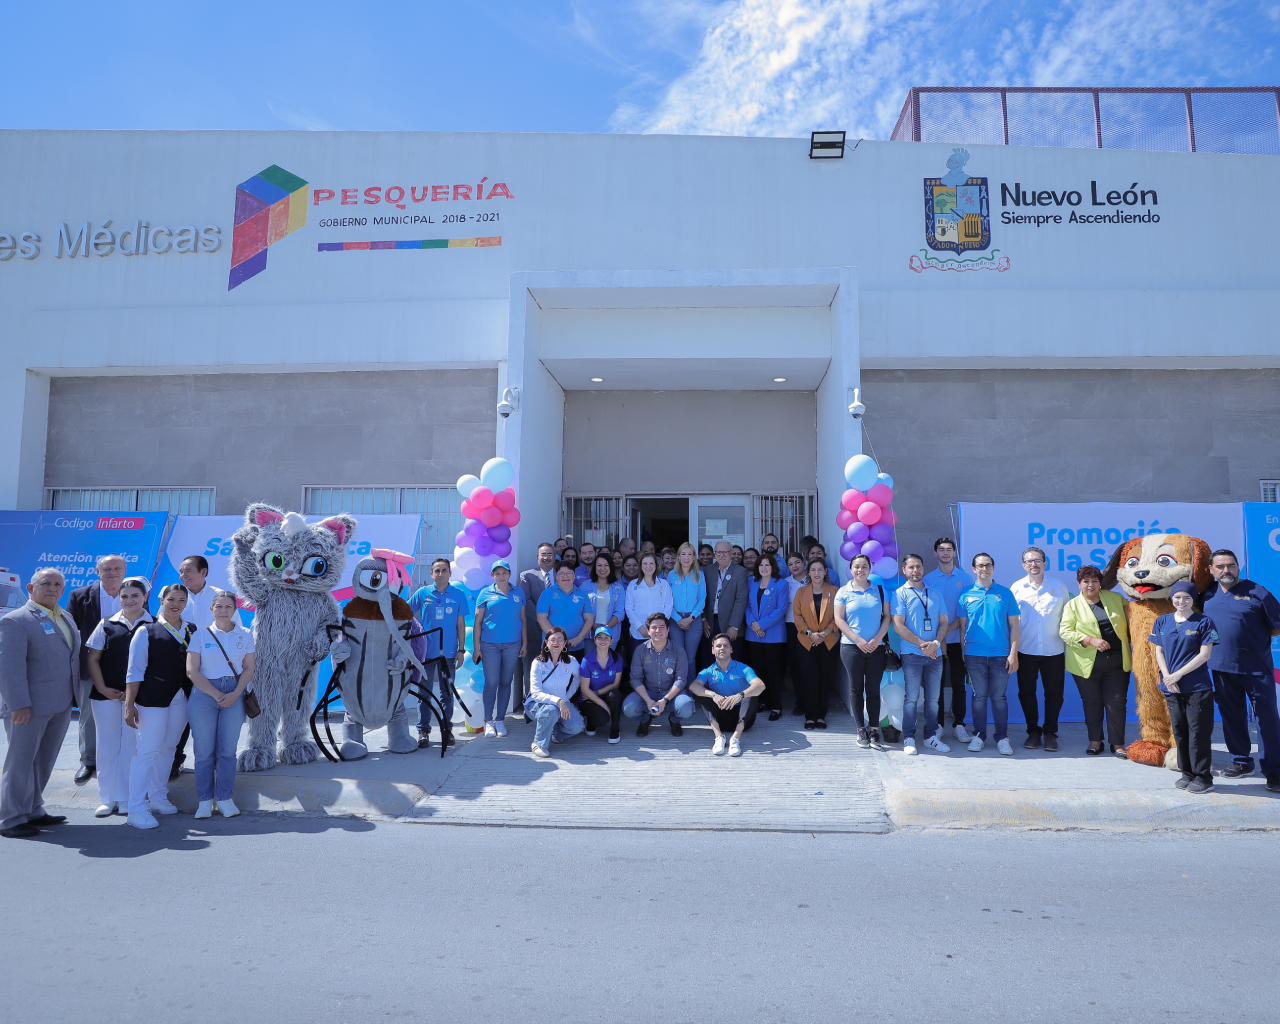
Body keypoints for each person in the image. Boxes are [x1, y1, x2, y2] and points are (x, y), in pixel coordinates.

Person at [0, 568, 77, 839]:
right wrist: (17, 704)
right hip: (27, 708)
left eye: (58, 584)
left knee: (43, 761)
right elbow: (9, 668)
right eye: (46, 583)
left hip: (60, 703)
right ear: (31, 588)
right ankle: (10, 818)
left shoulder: (63, 616)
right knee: (20, 763)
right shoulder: (16, 620)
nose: (53, 588)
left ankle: (33, 808)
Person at [1203, 549, 1280, 790]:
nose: (1226, 570)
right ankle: (1241, 761)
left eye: (1231, 565)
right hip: (1221, 667)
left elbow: (1276, 626)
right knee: (1232, 717)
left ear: (1238, 567)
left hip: (1256, 668)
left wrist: (1253, 642)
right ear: (1211, 570)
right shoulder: (1206, 595)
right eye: (1221, 567)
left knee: (1266, 719)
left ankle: (1274, 771)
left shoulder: (1258, 592)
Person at [123, 584, 197, 829]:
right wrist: (129, 704)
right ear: (161, 600)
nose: (176, 604)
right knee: (147, 751)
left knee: (168, 748)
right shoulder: (146, 631)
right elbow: (134, 670)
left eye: (181, 600)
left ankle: (158, 797)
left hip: (181, 698)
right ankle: (136, 808)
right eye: (171, 599)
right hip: (151, 699)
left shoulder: (192, 630)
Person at [83, 576, 152, 817]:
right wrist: (102, 688)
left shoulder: (154, 625)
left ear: (145, 597)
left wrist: (133, 696)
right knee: (107, 745)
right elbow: (92, 659)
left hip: (138, 699)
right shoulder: (106, 624)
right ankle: (107, 798)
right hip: (105, 697)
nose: (129, 600)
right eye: (124, 596)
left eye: (135, 595)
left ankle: (125, 798)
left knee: (131, 747)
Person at [171, 554, 244, 780]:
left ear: (204, 572)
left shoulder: (220, 597)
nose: (184, 575)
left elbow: (236, 632)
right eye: (181, 571)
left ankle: (217, 770)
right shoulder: (175, 596)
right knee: (179, 717)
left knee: (215, 725)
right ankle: (174, 761)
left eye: (189, 571)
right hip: (179, 666)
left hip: (212, 671)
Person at [185, 590, 254, 819]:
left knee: (227, 751)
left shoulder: (245, 634)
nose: (223, 611)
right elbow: (192, 671)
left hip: (234, 693)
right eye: (219, 606)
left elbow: (249, 669)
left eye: (228, 607)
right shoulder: (200, 636)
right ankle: (204, 801)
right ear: (211, 609)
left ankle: (224, 798)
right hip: (205, 695)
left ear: (235, 610)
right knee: (204, 752)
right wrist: (216, 694)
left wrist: (235, 694)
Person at [1150, 581, 1220, 793]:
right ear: (1172, 598)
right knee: (1180, 732)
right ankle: (1187, 773)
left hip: (1196, 687)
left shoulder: (1204, 622)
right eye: (1178, 597)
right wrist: (1168, 677)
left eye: (1187, 598)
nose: (1182, 602)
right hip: (1172, 687)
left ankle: (1203, 777)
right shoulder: (1162, 621)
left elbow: (1205, 654)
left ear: (1193, 600)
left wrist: (1179, 674)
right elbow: (1158, 651)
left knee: (1198, 732)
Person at [1059, 564, 1132, 757]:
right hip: (1086, 664)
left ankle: (1118, 744)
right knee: (1092, 703)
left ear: (1100, 583)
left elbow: (1136, 616)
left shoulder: (1116, 599)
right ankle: (1095, 740)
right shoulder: (1072, 605)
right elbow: (1065, 632)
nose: (1090, 585)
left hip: (1116, 663)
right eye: (1086, 581)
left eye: (1094, 581)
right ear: (1079, 583)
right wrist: (1090, 640)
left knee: (1116, 703)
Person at [67, 553, 127, 783]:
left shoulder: (133, 592)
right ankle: (88, 760)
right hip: (89, 665)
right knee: (88, 715)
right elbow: (72, 633)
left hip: (123, 666)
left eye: (116, 568)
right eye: (106, 568)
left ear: (124, 570)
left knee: (124, 713)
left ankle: (121, 757)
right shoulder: (80, 595)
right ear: (97, 571)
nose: (112, 572)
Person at [954, 553, 1019, 756]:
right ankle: (979, 736)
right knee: (978, 697)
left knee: (999, 698)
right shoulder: (965, 595)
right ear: (973, 569)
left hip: (1001, 655)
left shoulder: (1005, 594)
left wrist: (1013, 654)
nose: (985, 569)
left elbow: (1014, 626)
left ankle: (1002, 738)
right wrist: (965, 652)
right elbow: (962, 628)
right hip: (974, 655)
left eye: (988, 565)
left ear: (993, 568)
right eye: (980, 566)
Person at [1010, 546, 1070, 751]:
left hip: (1054, 650)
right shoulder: (1016, 588)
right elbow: (1012, 622)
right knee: (1026, 693)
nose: (1033, 564)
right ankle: (1033, 731)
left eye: (1037, 560)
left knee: (1055, 694)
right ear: (1023, 565)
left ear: (1045, 563)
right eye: (1029, 561)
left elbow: (1067, 617)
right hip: (1025, 650)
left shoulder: (1058, 585)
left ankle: (1050, 732)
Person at [892, 554, 950, 754]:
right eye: (911, 567)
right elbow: (898, 625)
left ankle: (930, 737)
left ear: (923, 569)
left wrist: (934, 643)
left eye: (918, 566)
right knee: (912, 698)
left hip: (934, 655)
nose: (915, 570)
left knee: (933, 699)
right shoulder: (900, 594)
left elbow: (944, 623)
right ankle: (909, 738)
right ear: (904, 571)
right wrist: (921, 644)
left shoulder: (935, 593)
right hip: (912, 654)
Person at [408, 558, 467, 748]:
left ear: (450, 573)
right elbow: (405, 613)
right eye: (437, 571)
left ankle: (446, 729)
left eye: (444, 570)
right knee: (424, 693)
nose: (440, 574)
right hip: (425, 653)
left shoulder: (458, 594)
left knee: (446, 694)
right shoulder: (423, 593)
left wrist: (460, 650)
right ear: (431, 574)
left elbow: (460, 624)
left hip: (448, 654)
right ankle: (423, 732)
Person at [833, 554, 891, 748]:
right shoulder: (843, 591)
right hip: (851, 647)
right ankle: (860, 729)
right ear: (851, 570)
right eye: (856, 566)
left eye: (864, 566)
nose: (860, 570)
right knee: (856, 689)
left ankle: (874, 731)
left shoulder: (880, 590)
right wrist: (857, 640)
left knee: (873, 690)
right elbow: (839, 619)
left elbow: (887, 618)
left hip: (877, 648)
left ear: (870, 569)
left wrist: (876, 639)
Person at [924, 538, 972, 744]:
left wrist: (946, 636)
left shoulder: (966, 578)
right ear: (935, 553)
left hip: (959, 640)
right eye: (941, 550)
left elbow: (967, 613)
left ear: (954, 553)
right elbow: (927, 612)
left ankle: (959, 725)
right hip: (935, 641)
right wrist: (938, 639)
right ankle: (939, 725)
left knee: (959, 684)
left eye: (949, 550)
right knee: (937, 685)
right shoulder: (927, 579)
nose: (945, 553)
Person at [475, 559, 529, 737]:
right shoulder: (485, 593)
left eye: (504, 572)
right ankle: (488, 721)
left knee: (506, 682)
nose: (501, 576)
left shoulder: (518, 592)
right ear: (492, 576)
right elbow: (477, 623)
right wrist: (477, 648)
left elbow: (523, 620)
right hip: (490, 645)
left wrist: (524, 643)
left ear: (509, 574)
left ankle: (500, 720)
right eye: (497, 573)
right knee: (491, 683)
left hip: (513, 644)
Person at [689, 633, 765, 756]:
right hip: (720, 718)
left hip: (743, 719)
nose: (722, 648)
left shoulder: (743, 668)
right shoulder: (707, 671)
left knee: (751, 694)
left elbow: (760, 685)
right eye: (718, 646)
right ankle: (719, 737)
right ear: (713, 650)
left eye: (726, 646)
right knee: (704, 693)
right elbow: (693, 686)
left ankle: (735, 738)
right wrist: (713, 695)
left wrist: (740, 695)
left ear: (731, 649)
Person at [623, 613, 696, 736]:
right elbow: (635, 679)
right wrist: (647, 700)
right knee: (628, 708)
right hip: (648, 692)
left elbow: (681, 679)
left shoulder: (678, 650)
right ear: (648, 630)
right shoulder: (640, 650)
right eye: (654, 627)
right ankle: (645, 720)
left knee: (686, 707)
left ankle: (674, 721)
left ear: (668, 630)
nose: (658, 630)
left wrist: (664, 700)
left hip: (671, 693)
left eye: (662, 627)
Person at [794, 557, 839, 729]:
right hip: (806, 641)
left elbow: (839, 616)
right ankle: (810, 716)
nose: (816, 573)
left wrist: (825, 632)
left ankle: (821, 716)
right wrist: (810, 634)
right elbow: (797, 617)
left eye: (820, 569)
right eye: (813, 570)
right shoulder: (801, 592)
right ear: (808, 572)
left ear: (826, 571)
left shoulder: (835, 591)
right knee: (809, 679)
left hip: (829, 641)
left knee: (825, 679)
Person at [526, 627, 585, 757]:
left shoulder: (571, 661)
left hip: (562, 701)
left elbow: (578, 678)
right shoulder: (538, 663)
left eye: (560, 640)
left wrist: (566, 696)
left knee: (577, 727)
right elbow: (535, 693)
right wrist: (558, 700)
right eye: (553, 640)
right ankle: (539, 743)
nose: (556, 642)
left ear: (565, 643)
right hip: (537, 704)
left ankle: (555, 732)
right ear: (546, 642)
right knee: (551, 710)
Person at [744, 552, 788, 719]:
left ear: (773, 567)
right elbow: (747, 607)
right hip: (753, 634)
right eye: (761, 565)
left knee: (774, 671)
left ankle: (776, 706)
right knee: (758, 671)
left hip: (773, 634)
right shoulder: (751, 583)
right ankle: (762, 701)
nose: (764, 568)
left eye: (767, 565)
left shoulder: (781, 584)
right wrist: (753, 624)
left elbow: (781, 609)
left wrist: (761, 625)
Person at [518, 543, 559, 717]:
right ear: (537, 557)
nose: (546, 557)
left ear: (555, 557)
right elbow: (526, 602)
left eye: (550, 554)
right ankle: (531, 707)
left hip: (559, 634)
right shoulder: (527, 576)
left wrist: (555, 628)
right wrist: (546, 623)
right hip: (535, 632)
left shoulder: (562, 574)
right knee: (532, 671)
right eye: (543, 554)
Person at [703, 540, 749, 662]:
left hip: (730, 624)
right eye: (718, 552)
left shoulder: (740, 572)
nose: (721, 555)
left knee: (732, 659)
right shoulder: (708, 570)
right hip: (711, 623)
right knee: (712, 659)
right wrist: (703, 619)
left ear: (731, 553)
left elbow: (741, 600)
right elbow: (703, 596)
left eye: (724, 552)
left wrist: (734, 626)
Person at [537, 563, 593, 660]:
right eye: (562, 573)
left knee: (575, 675)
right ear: (556, 575)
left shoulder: (583, 595)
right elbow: (541, 618)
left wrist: (579, 638)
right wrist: (557, 639)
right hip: (552, 646)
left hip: (576, 646)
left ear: (574, 575)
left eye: (569, 573)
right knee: (553, 675)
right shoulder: (547, 593)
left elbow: (589, 619)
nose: (565, 576)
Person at [579, 625, 625, 743]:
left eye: (606, 637)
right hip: (588, 699)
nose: (603, 640)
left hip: (602, 695)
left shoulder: (617, 658)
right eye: (599, 637)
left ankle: (615, 729)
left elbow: (616, 684)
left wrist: (598, 693)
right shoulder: (587, 660)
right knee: (601, 720)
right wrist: (601, 703)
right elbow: (584, 689)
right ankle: (591, 721)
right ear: (594, 640)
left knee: (616, 694)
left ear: (611, 641)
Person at [624, 553, 673, 664]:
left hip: (659, 632)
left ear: (656, 566)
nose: (648, 566)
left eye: (651, 563)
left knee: (658, 665)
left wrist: (658, 627)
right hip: (638, 633)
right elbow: (629, 609)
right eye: (645, 563)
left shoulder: (664, 585)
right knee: (638, 663)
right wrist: (640, 627)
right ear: (641, 566)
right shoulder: (633, 585)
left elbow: (668, 607)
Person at [667, 542, 706, 669]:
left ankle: (690, 689)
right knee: (678, 658)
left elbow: (702, 598)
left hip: (693, 621)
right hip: (675, 621)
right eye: (683, 554)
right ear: (678, 557)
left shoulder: (699, 575)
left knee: (690, 659)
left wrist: (690, 619)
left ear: (694, 557)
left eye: (690, 554)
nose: (686, 557)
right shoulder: (672, 575)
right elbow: (667, 601)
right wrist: (679, 620)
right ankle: (678, 688)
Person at [581, 553, 625, 647]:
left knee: (608, 661)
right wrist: (596, 629)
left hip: (611, 633)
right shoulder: (585, 586)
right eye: (599, 565)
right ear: (595, 567)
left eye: (606, 565)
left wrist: (605, 630)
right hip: (589, 633)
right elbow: (582, 610)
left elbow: (620, 612)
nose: (603, 569)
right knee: (590, 661)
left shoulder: (618, 588)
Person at [784, 553, 808, 715]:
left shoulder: (813, 579)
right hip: (791, 627)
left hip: (810, 628)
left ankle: (813, 700)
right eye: (790, 564)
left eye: (797, 562)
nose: (794, 566)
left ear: (804, 562)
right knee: (795, 666)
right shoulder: (785, 583)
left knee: (810, 667)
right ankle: (801, 701)